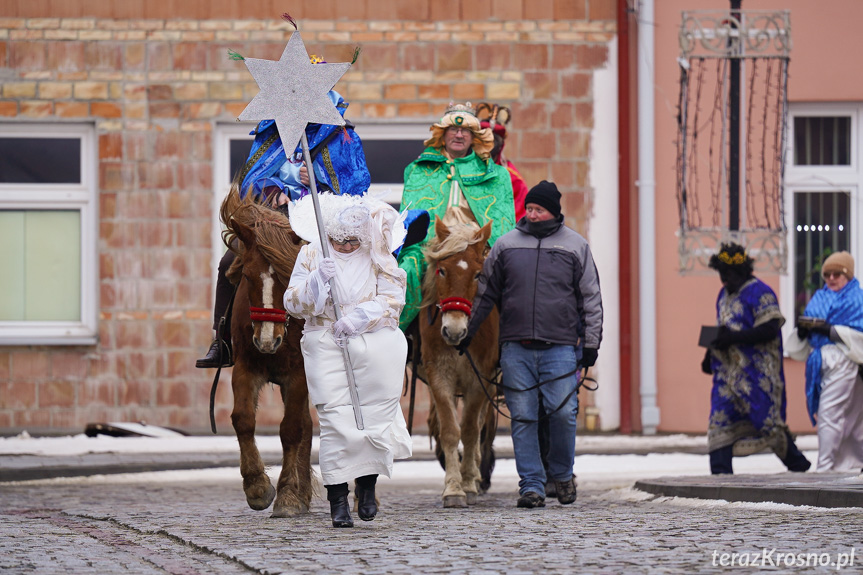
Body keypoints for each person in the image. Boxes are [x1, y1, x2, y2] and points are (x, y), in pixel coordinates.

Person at [196, 89, 370, 368]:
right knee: (229, 261)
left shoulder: (341, 136)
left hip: (320, 223)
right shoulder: (273, 132)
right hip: (273, 219)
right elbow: (253, 178)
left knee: (344, 268)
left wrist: (320, 178)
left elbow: (356, 186)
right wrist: (273, 191)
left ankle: (353, 335)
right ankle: (223, 340)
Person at [457, 181, 602, 508]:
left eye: (539, 209)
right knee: (523, 417)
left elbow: (590, 298)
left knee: (563, 413)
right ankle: (532, 486)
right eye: (530, 209)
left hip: (560, 348)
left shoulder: (575, 246)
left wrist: (590, 344)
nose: (533, 214)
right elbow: (485, 295)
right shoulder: (507, 245)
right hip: (516, 348)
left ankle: (562, 475)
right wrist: (469, 331)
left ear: (553, 211)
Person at [284, 192, 412, 528]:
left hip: (372, 341)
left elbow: (393, 297)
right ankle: (337, 499)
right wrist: (315, 282)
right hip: (326, 340)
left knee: (370, 417)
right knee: (336, 421)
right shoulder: (313, 253)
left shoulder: (377, 254)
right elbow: (292, 302)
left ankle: (366, 487)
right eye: (337, 241)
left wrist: (360, 318)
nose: (343, 247)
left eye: (351, 242)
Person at [397, 101, 515, 331]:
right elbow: (409, 216)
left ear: (474, 137)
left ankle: (509, 346)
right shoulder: (418, 169)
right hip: (431, 243)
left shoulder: (496, 174)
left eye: (465, 131)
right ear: (443, 134)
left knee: (511, 275)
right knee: (406, 270)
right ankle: (399, 336)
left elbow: (503, 220)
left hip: (475, 243)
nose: (459, 134)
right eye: (454, 129)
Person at [701, 242, 811, 475]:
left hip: (757, 376)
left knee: (768, 425)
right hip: (727, 378)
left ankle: (798, 466)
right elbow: (723, 329)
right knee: (719, 424)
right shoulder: (723, 295)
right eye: (721, 275)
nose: (724, 280)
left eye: (728, 275)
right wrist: (709, 353)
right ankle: (720, 481)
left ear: (742, 271)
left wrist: (734, 338)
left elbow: (771, 329)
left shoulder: (761, 293)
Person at [788, 251, 863, 471]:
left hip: (847, 361)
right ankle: (849, 464)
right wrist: (802, 332)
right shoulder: (819, 298)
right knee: (849, 419)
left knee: (830, 414)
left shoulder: (857, 299)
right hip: (821, 361)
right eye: (827, 274)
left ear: (848, 275)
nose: (831, 278)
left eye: (837, 274)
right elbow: (803, 339)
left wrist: (831, 331)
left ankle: (825, 467)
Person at [476, 102, 530, 221]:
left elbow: (520, 219)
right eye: (483, 140)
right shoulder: (462, 169)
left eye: (492, 140)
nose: (488, 146)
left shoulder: (513, 179)